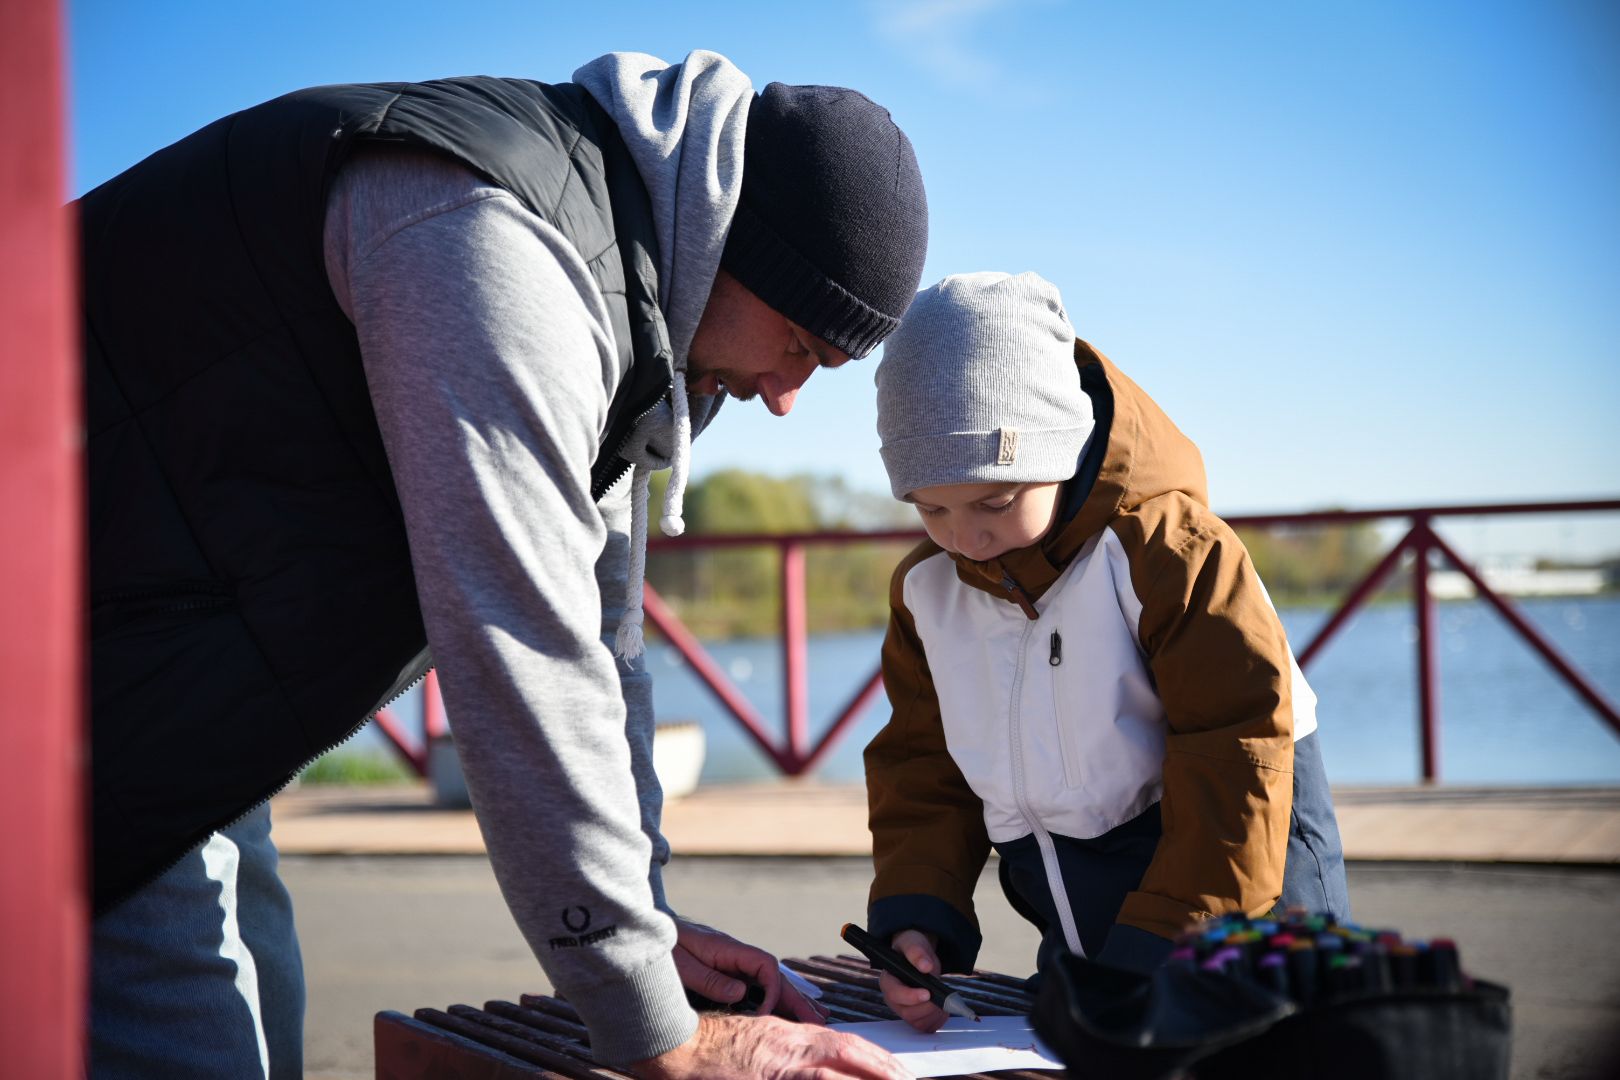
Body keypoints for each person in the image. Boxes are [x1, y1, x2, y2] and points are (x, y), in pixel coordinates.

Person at [81, 50, 926, 1079]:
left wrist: (645, 935)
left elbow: (604, 658)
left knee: (268, 990)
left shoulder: (635, 312)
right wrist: (667, 1036)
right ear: (741, 248)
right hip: (68, 671)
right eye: (800, 344)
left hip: (157, 665)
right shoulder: (497, 244)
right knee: (197, 1040)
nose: (789, 396)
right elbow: (521, 649)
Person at [861, 272, 1350, 1031]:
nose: (966, 536)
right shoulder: (927, 591)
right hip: (1083, 925)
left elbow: (1238, 755)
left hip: (1239, 899)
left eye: (995, 501)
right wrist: (916, 918)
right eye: (931, 508)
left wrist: (1160, 953)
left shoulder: (1171, 554)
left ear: (1065, 446)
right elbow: (923, 767)